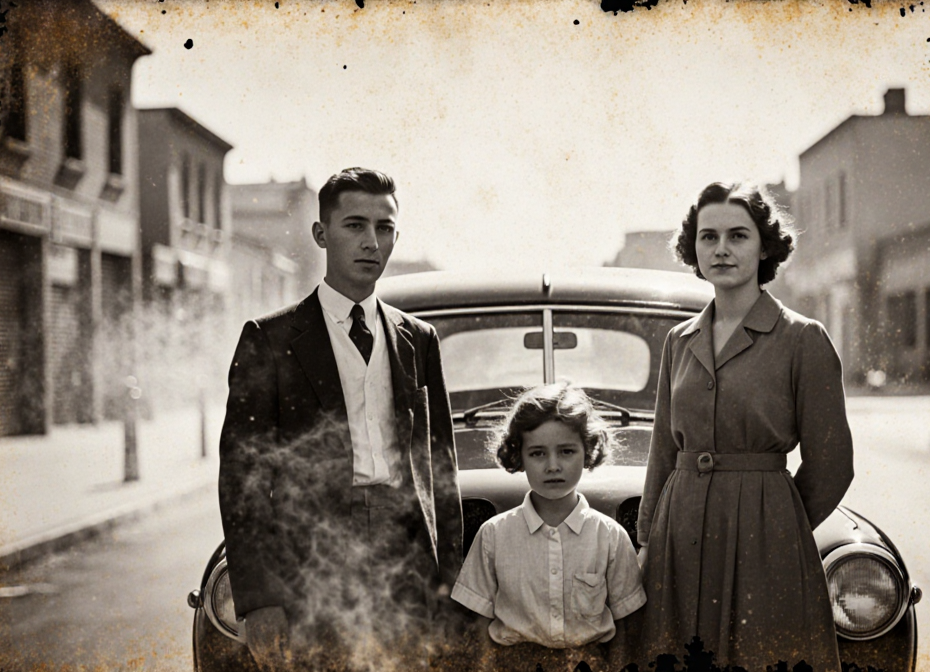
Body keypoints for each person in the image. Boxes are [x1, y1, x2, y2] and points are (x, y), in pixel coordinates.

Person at [217, 167, 463, 671]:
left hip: (406, 561)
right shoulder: (270, 340)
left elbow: (441, 469)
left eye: (385, 227)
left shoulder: (419, 339)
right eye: (354, 225)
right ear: (321, 234)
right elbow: (242, 480)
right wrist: (260, 600)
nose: (372, 242)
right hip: (311, 566)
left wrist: (451, 580)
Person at [633, 182, 854, 671]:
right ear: (693, 249)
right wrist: (648, 539)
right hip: (680, 532)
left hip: (764, 535)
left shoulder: (802, 338)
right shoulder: (678, 340)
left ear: (764, 246)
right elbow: (663, 451)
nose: (722, 249)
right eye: (708, 237)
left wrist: (780, 527)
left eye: (738, 236)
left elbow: (834, 463)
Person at [451, 383, 646, 672]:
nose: (552, 466)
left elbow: (627, 625)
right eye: (538, 454)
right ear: (518, 455)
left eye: (566, 451)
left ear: (588, 451)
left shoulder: (609, 536)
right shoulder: (494, 535)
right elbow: (476, 622)